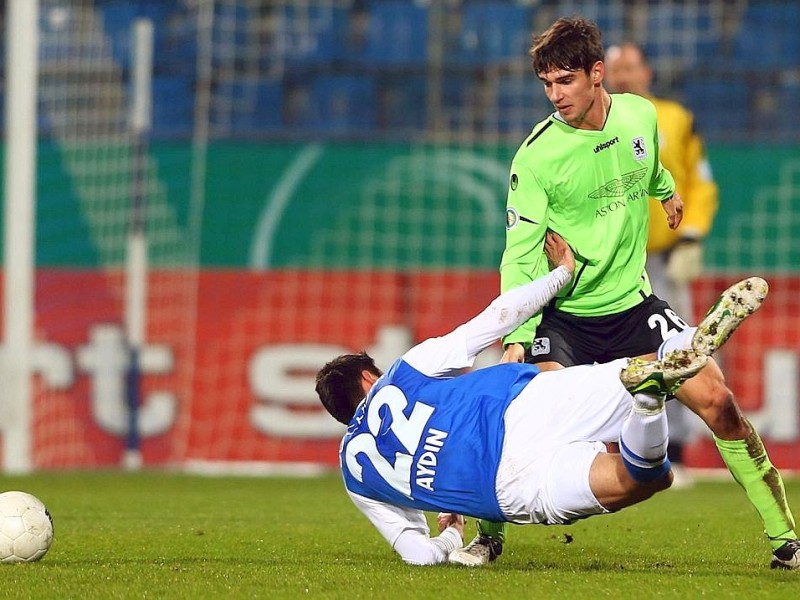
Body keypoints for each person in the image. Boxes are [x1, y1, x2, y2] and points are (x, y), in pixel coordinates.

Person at [462, 16, 798, 571]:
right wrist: (518, 337)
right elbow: (520, 255)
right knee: (521, 424)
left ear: (598, 75)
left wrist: (667, 194)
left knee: (720, 404)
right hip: (565, 323)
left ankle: (787, 541)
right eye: (546, 84)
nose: (555, 95)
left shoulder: (640, 114)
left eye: (565, 81)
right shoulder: (537, 157)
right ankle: (488, 534)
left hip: (636, 307)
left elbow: (646, 165)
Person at [316, 232, 711, 566]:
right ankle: (659, 373)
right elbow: (497, 317)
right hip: (522, 406)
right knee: (629, 377)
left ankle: (649, 405)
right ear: (369, 378)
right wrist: (561, 275)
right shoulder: (402, 373)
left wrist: (452, 534)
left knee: (647, 479)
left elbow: (418, 554)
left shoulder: (355, 476)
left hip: (507, 489)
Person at [604, 42, 719, 487]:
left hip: (665, 259)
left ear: (646, 72)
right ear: (605, 77)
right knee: (620, 356)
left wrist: (692, 234)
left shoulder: (674, 119)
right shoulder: (598, 124)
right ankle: (624, 451)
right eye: (617, 70)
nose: (625, 76)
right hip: (617, 262)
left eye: (631, 67)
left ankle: (680, 454)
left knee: (681, 351)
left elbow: (700, 181)